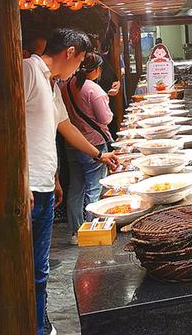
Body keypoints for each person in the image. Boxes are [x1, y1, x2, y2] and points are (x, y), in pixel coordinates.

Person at [23, 28, 119, 335]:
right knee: (22, 267)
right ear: (70, 52)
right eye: (79, 61)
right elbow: (5, 124)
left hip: (43, 186)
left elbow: (65, 128)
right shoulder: (29, 70)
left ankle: (40, 323)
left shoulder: (52, 84)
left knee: (40, 267)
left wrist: (99, 155)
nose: (78, 69)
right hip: (25, 189)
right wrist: (19, 180)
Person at [60, 52, 113, 244]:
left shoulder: (64, 86)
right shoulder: (94, 90)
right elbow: (105, 118)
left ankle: (76, 232)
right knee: (94, 187)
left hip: (72, 144)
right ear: (97, 69)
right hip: (93, 145)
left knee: (76, 188)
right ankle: (92, 229)